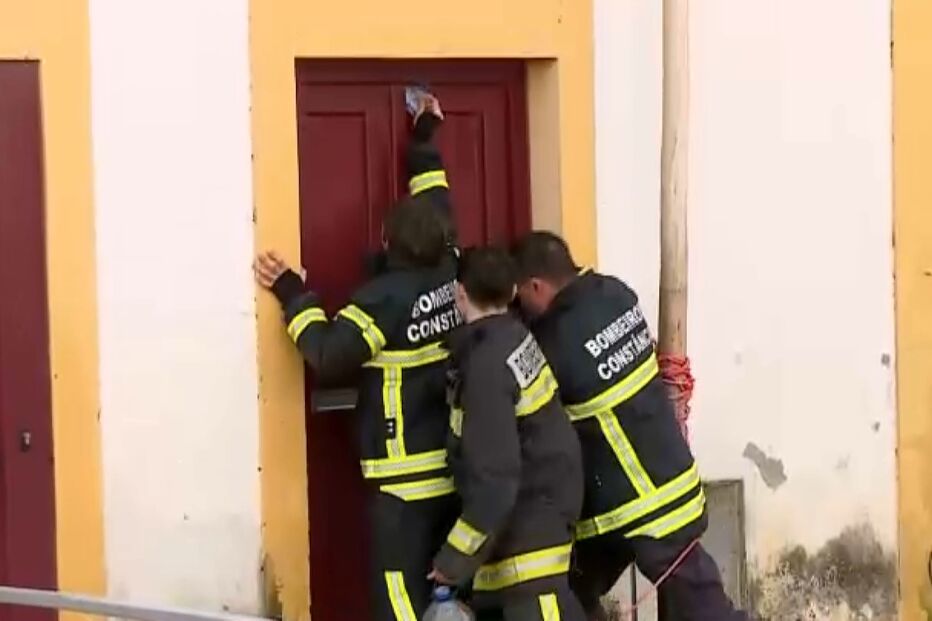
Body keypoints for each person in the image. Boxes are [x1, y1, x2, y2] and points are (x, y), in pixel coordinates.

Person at [254, 95, 461, 621]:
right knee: (450, 591)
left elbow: (328, 354)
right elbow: (436, 201)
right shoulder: (454, 273)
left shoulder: (381, 302)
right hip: (456, 469)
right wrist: (422, 141)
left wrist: (292, 293)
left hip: (403, 483)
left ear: (388, 241)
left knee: (397, 597)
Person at [511, 232, 748, 621]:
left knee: (704, 611)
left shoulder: (554, 341)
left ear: (536, 285)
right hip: (660, 482)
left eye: (521, 295)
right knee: (572, 589)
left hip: (641, 504)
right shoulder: (615, 294)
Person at [429, 246, 587, 621]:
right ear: (514, 292)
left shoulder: (485, 366)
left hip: (530, 539)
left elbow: (494, 483)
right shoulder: (514, 336)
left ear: (459, 294)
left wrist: (452, 561)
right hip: (540, 519)